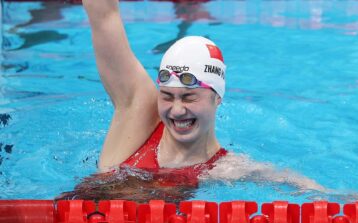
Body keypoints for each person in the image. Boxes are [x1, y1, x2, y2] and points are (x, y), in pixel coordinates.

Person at [81, 0, 327, 194]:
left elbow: (306, 189)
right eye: (167, 96)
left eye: (189, 98)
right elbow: (103, 15)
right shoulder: (137, 117)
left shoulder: (226, 169)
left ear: (217, 97)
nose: (176, 110)